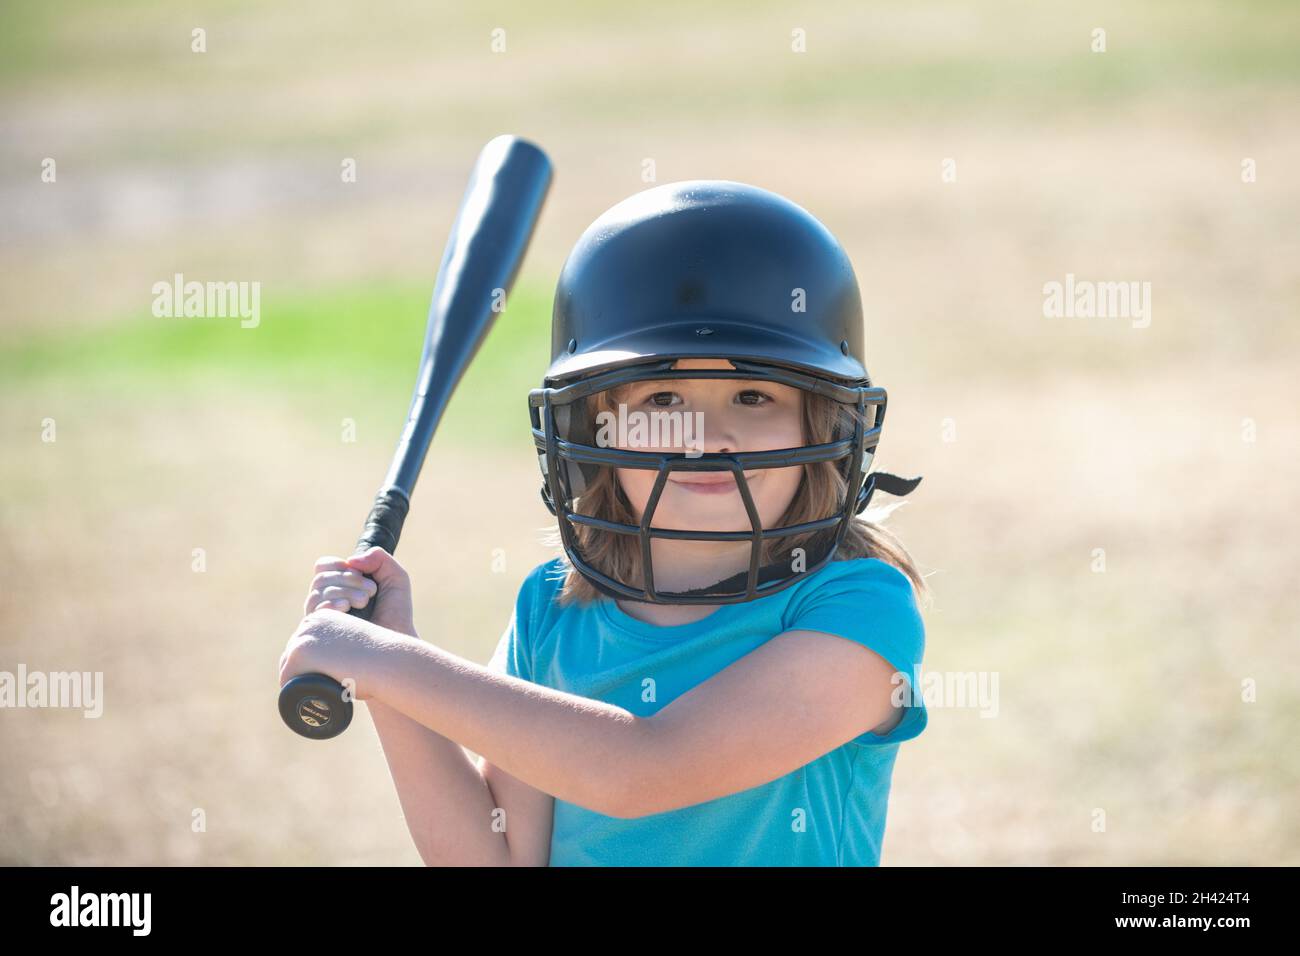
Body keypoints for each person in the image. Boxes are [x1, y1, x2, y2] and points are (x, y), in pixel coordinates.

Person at [279, 180, 932, 865]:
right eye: (663, 395)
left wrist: (389, 664)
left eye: (752, 395)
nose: (706, 435)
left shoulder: (857, 609)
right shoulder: (551, 610)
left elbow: (643, 768)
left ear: (825, 421)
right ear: (597, 424)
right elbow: (494, 858)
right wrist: (385, 660)